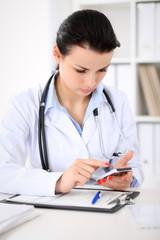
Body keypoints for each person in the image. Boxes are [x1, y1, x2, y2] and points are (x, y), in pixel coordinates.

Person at [0, 9, 144, 196]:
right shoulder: (25, 104)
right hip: (51, 214)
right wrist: (59, 181)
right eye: (81, 70)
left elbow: (134, 166)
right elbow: (3, 173)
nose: (91, 82)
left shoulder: (118, 101)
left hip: (108, 209)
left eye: (102, 70)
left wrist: (128, 179)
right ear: (57, 54)